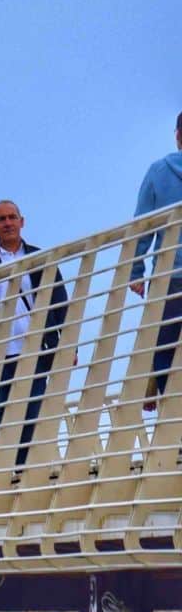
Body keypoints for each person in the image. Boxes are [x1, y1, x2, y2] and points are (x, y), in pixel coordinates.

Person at [0, 201, 67, 472]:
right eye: (2, 219)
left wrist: (65, 345)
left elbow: (60, 303)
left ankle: (23, 473)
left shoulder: (41, 258)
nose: (8, 223)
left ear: (22, 222)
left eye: (12, 217)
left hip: (34, 349)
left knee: (31, 413)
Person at [131, 113, 182, 404]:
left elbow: (142, 227)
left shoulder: (158, 172)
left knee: (164, 348)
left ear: (177, 135)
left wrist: (135, 273)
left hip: (169, 276)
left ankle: (171, 421)